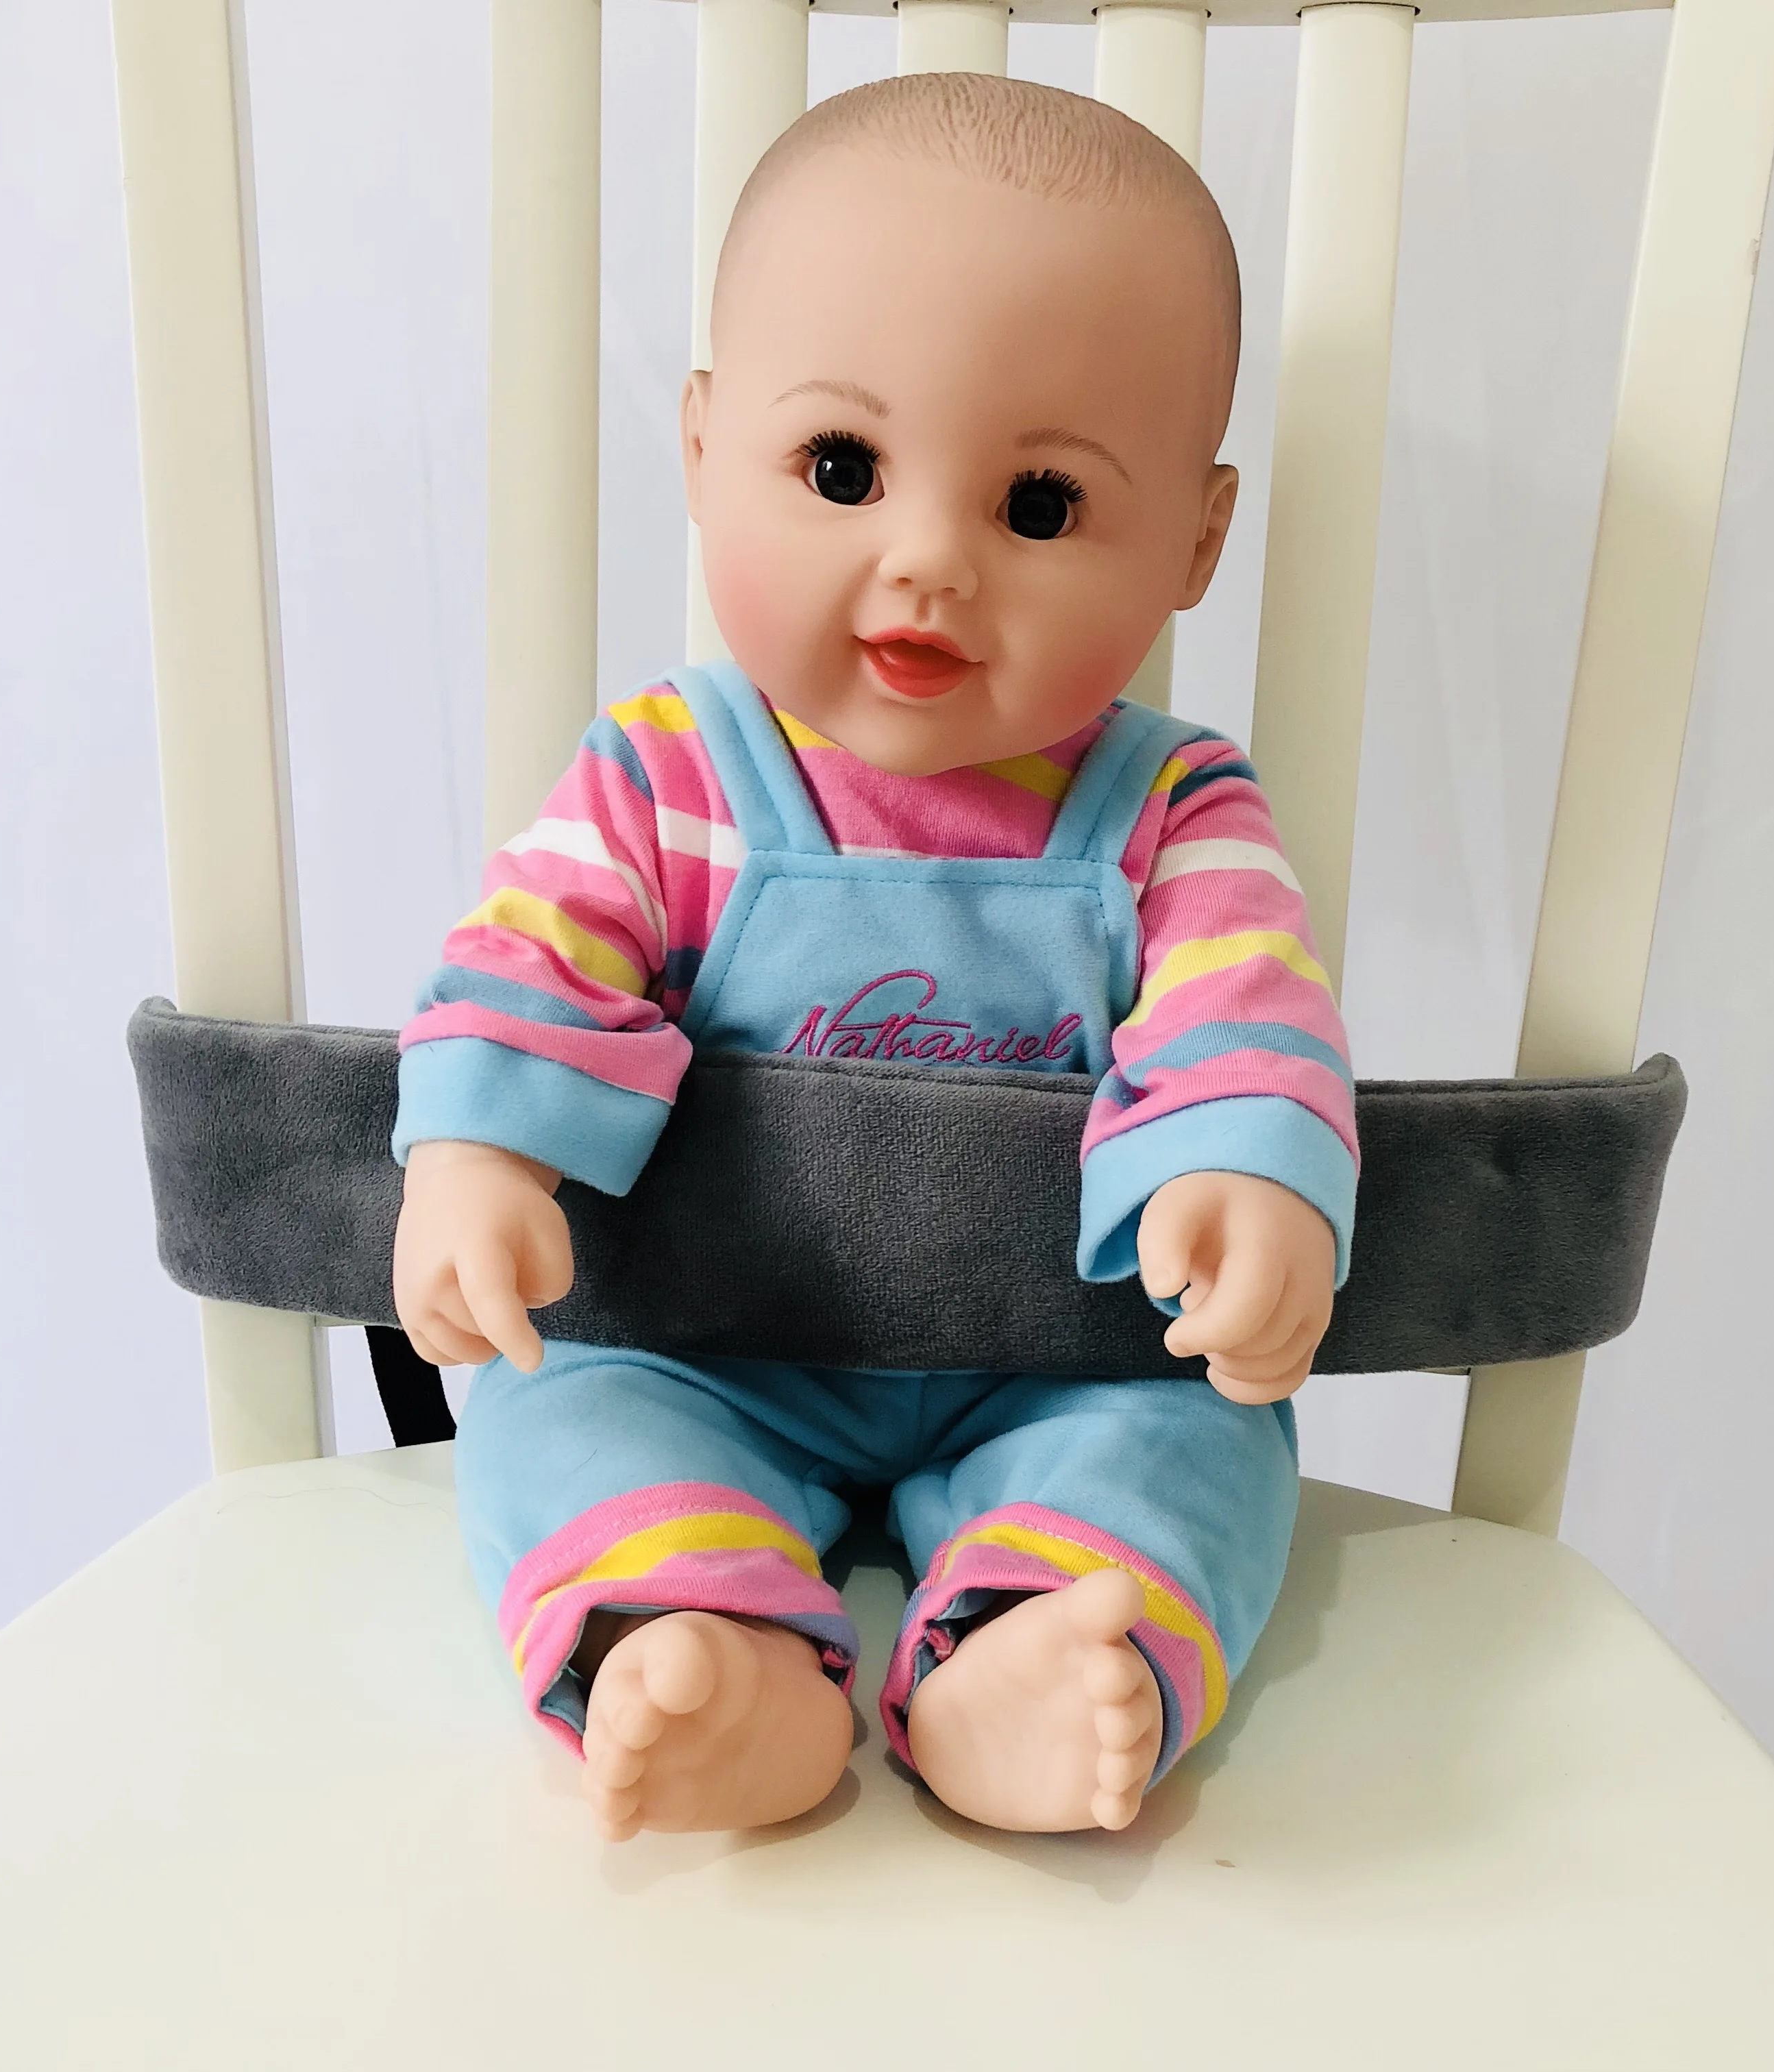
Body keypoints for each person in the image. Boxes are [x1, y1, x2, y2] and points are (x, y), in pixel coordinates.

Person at [391, 73, 1356, 1840]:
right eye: (842, 470)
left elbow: (1246, 1009)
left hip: (1051, 1361)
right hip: (708, 1348)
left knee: (1196, 1449)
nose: (929, 562)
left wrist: (1248, 1173)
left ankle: (1024, 1661)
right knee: (554, 1418)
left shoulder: (1172, 810)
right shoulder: (669, 776)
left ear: (1197, 541)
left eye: (1039, 505)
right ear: (704, 449)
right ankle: (702, 1651)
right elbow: (528, 961)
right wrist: (477, 1152)